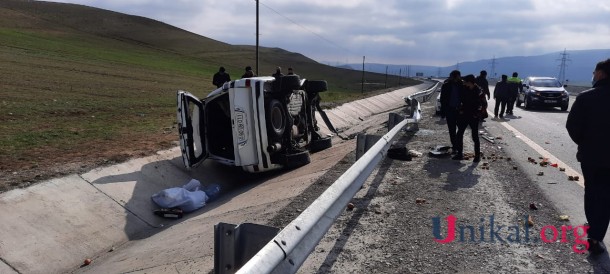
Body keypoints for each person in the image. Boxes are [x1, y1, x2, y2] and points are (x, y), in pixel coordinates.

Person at [566, 58, 610, 256]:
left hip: (591, 156)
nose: (592, 76)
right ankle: (596, 232)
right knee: (606, 195)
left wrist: (585, 143)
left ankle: (594, 233)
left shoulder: (585, 97)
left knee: (592, 191)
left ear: (600, 74)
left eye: (594, 72)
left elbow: (572, 126)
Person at [453, 74, 482, 162]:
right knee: (459, 134)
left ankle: (477, 156)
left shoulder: (479, 91)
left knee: (475, 137)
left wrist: (476, 114)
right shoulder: (464, 89)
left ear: (469, 82)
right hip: (464, 115)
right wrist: (460, 109)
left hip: (474, 116)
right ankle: (459, 154)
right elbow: (462, 101)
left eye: (465, 81)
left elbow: (482, 105)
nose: (464, 83)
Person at [440, 70, 462, 154]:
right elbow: (442, 99)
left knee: (460, 130)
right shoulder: (446, 85)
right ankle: (455, 146)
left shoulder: (462, 85)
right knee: (452, 130)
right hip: (450, 110)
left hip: (460, 111)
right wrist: (443, 112)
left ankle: (458, 146)